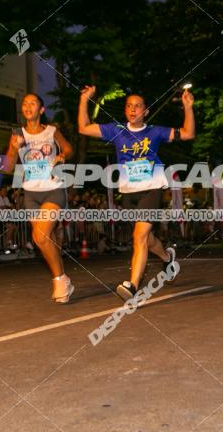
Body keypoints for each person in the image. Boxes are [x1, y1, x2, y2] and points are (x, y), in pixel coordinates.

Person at [77, 84, 194, 301]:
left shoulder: (155, 132)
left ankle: (132, 286)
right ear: (125, 111)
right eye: (129, 106)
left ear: (146, 111)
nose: (133, 109)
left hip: (152, 188)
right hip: (129, 192)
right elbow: (83, 128)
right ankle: (168, 258)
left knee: (138, 237)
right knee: (147, 239)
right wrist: (84, 99)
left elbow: (187, 133)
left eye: (137, 106)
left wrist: (187, 107)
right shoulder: (115, 130)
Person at [3, 93, 75, 304]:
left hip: (53, 188)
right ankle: (63, 279)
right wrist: (14, 150)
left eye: (32, 103)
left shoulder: (52, 131)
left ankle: (59, 280)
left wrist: (62, 156)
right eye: (25, 104)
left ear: (41, 110)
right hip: (31, 193)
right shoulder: (17, 134)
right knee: (42, 239)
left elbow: (69, 148)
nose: (28, 106)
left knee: (41, 236)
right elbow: (8, 167)